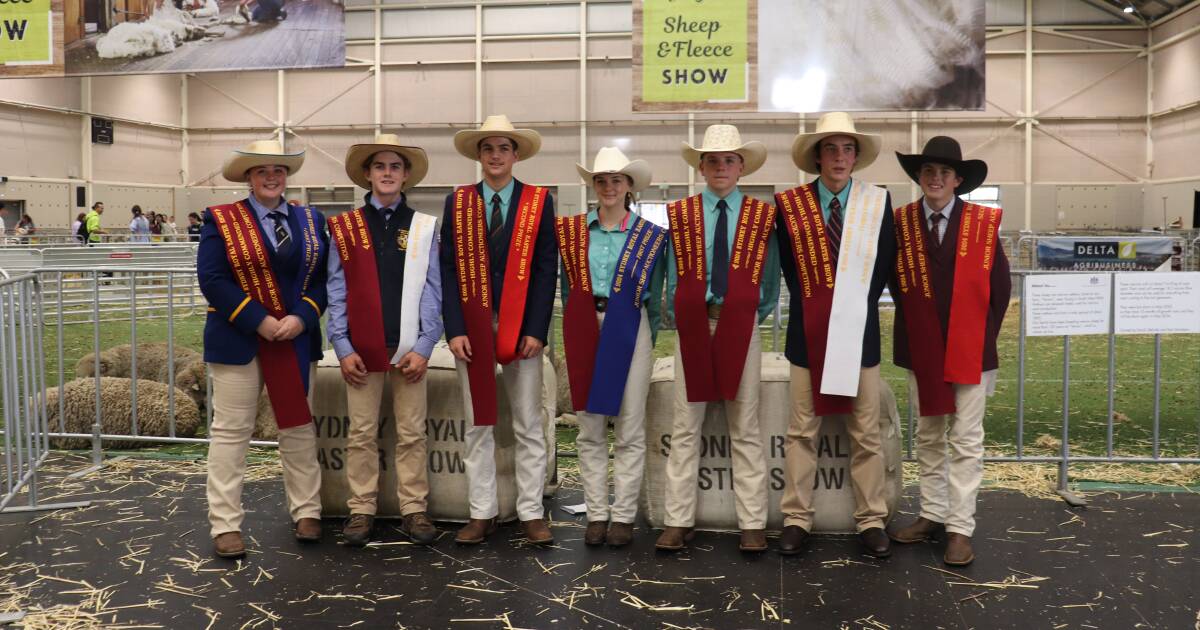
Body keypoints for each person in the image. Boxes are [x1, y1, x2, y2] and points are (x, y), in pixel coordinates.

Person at [197, 139, 329, 559]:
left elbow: (325, 282)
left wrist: (301, 317)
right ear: (248, 178)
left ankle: (308, 511)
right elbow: (212, 278)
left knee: (298, 428)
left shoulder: (311, 220)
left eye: (278, 169)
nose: (272, 176)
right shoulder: (222, 220)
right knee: (231, 434)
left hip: (294, 338)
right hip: (238, 339)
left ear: (286, 175)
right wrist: (261, 320)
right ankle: (225, 524)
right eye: (262, 170)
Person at [774, 112, 896, 558]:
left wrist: (848, 309)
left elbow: (883, 265)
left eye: (848, 148)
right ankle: (796, 517)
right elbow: (790, 267)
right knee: (801, 430)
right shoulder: (791, 206)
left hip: (859, 335)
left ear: (857, 157)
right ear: (817, 157)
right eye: (831, 148)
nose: (840, 157)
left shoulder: (876, 203)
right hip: (808, 335)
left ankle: (871, 518)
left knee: (866, 430)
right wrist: (822, 305)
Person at [655, 125, 781, 553]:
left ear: (742, 166)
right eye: (712, 160)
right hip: (693, 327)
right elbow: (671, 271)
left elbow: (769, 280)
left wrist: (747, 315)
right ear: (701, 167)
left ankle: (752, 522)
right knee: (685, 425)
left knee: (744, 427)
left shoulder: (762, 216)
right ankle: (677, 520)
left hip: (740, 327)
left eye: (729, 160)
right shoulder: (682, 214)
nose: (721, 167)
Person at [886, 137, 1011, 567]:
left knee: (967, 438)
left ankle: (960, 527)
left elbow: (1000, 289)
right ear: (918, 177)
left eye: (944, 172)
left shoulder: (982, 223)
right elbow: (894, 287)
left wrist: (979, 339)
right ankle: (932, 513)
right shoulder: (900, 223)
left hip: (970, 348)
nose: (935, 178)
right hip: (922, 347)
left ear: (958, 180)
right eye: (928, 171)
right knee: (928, 435)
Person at [440, 115, 558, 546]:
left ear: (516, 155)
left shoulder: (538, 202)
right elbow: (448, 270)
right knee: (477, 423)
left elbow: (547, 271)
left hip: (521, 332)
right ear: (479, 155)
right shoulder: (459, 202)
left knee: (528, 422)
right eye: (488, 148)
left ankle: (530, 511)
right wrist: (454, 328)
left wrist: (537, 330)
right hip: (471, 329)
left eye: (503, 148)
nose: (495, 156)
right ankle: (481, 511)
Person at [326, 134, 443, 547]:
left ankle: (414, 508)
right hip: (361, 349)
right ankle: (362, 508)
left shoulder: (425, 227)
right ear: (368, 175)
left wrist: (426, 345)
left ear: (406, 175)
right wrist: (341, 346)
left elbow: (433, 290)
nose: (388, 173)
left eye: (395, 166)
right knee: (360, 432)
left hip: (409, 347)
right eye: (380, 167)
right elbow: (336, 289)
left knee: (412, 431)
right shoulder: (343, 227)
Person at [558, 147, 666, 547]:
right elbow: (568, 285)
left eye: (615, 180)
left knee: (629, 424)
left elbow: (655, 294)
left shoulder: (650, 237)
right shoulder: (572, 231)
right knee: (588, 425)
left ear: (629, 187)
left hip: (630, 325)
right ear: (594, 186)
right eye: (601, 180)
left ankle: (622, 516)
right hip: (586, 322)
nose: (608, 187)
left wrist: (645, 335)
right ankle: (596, 513)